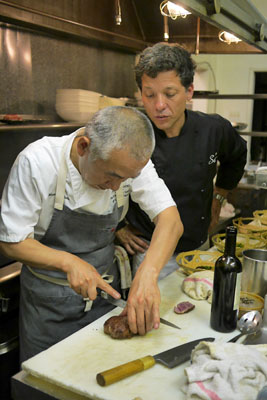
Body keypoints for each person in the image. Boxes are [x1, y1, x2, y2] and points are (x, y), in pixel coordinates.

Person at [0, 106, 183, 362]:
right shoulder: (38, 161)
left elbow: (171, 220)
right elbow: (11, 242)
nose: (117, 187)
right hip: (48, 307)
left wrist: (147, 275)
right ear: (84, 146)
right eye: (112, 176)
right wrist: (68, 261)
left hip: (105, 300)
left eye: (128, 179)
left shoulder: (129, 159)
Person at [116, 42, 247, 279]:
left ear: (189, 92)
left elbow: (237, 157)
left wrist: (219, 196)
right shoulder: (131, 133)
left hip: (199, 249)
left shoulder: (213, 129)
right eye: (149, 94)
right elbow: (100, 181)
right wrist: (118, 228)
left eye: (170, 94)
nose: (159, 105)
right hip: (149, 252)